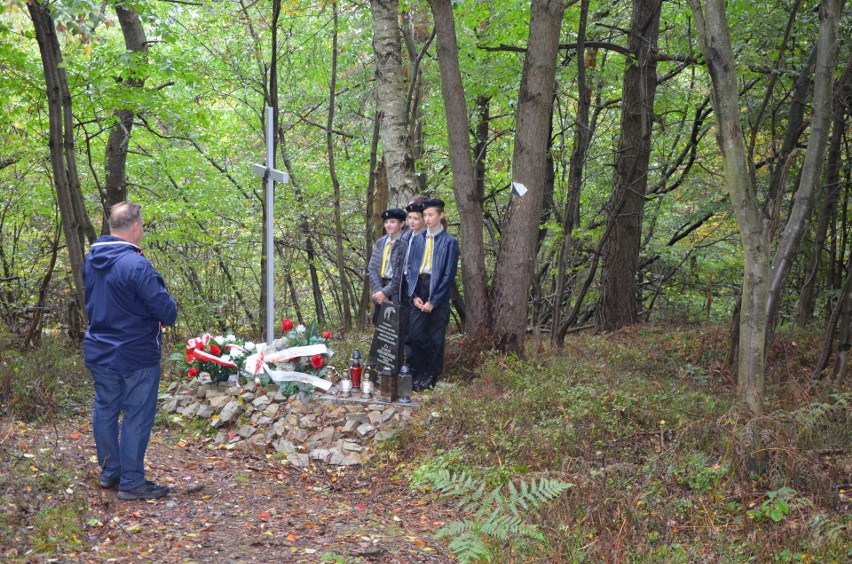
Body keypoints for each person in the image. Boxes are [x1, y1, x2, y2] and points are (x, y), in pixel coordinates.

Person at [83, 201, 177, 501]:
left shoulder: (92, 260)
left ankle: (111, 472)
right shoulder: (136, 264)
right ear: (135, 227)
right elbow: (166, 310)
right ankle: (132, 481)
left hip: (100, 350)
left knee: (106, 410)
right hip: (136, 354)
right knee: (137, 414)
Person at [404, 198, 459, 390]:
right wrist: (413, 295)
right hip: (419, 288)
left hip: (438, 292)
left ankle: (431, 375)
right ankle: (419, 372)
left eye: (430, 215)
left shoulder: (449, 242)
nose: (426, 219)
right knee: (416, 334)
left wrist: (433, 301)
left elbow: (448, 274)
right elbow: (410, 268)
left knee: (435, 338)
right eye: (424, 215)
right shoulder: (417, 239)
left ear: (440, 216)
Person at [399, 196, 428, 363]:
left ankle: (418, 365)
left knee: (417, 329)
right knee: (406, 327)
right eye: (408, 215)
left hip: (418, 285)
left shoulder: (427, 238)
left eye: (415, 215)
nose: (411, 219)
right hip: (404, 284)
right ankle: (407, 364)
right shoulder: (406, 236)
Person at [368, 208, 408, 326]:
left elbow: (400, 273)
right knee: (380, 323)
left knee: (396, 325)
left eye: (392, 221)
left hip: (397, 290)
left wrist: (385, 292)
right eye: (386, 222)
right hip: (381, 287)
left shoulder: (405, 243)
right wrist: (379, 290)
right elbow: (373, 267)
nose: (388, 225)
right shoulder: (381, 242)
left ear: (402, 224)